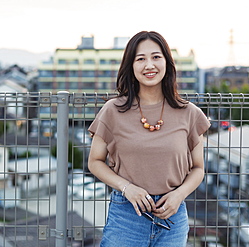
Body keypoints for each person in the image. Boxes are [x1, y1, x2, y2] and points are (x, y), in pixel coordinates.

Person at [88, 31, 210, 247]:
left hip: (172, 215)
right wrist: (127, 188)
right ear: (131, 66)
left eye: (156, 57)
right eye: (140, 59)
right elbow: (95, 162)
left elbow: (198, 168)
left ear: (167, 62)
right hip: (126, 214)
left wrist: (178, 195)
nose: (149, 65)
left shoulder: (189, 113)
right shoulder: (112, 111)